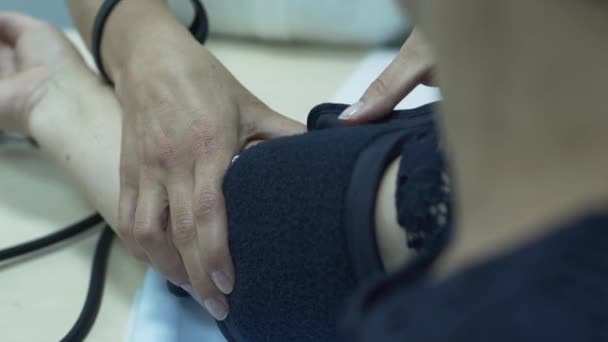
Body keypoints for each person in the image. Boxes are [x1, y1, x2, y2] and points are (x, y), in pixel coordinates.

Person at [63, 0, 435, 313]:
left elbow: (273, 228)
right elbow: (276, 217)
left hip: (403, 50)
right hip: (182, 43)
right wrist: (142, 48)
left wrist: (57, 99)